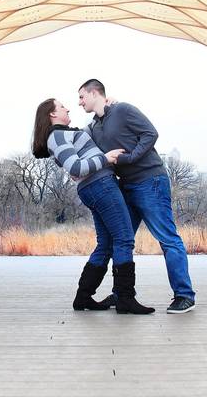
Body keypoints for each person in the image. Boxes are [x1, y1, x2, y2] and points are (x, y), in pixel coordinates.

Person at [78, 79, 196, 314]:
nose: (79, 102)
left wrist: (131, 158)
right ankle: (122, 294)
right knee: (120, 240)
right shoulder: (94, 126)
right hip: (125, 186)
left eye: (82, 97)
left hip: (150, 181)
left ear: (94, 93)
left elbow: (150, 134)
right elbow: (78, 139)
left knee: (167, 238)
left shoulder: (123, 110)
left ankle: (184, 295)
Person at [32, 98, 154, 315]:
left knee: (105, 244)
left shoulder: (64, 133)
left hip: (96, 187)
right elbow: (76, 167)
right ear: (52, 115)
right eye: (61, 107)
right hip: (100, 186)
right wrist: (106, 159)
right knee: (124, 238)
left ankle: (84, 297)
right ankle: (125, 298)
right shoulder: (57, 137)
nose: (68, 107)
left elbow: (91, 129)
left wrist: (107, 108)